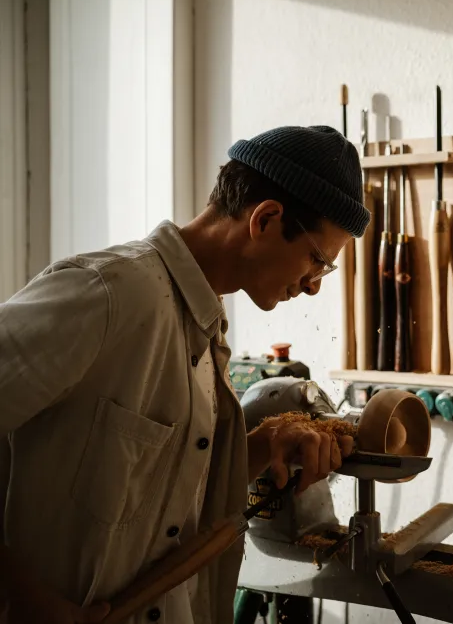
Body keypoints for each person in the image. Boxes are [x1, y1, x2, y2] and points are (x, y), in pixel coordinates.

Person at [0, 125, 370, 624]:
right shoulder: (110, 294)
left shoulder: (204, 329)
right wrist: (23, 598)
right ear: (265, 219)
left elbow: (161, 506)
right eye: (317, 260)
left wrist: (262, 446)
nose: (312, 287)